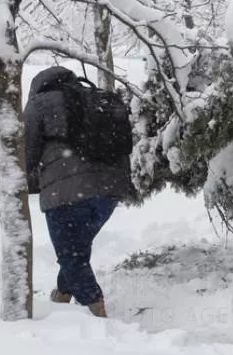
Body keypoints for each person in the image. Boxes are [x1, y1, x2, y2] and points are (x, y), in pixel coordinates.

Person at [24, 66, 137, 318]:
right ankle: (63, 293)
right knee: (76, 247)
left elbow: (26, 154)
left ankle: (95, 307)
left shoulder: (39, 103)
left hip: (66, 192)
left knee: (71, 253)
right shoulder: (93, 97)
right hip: (110, 191)